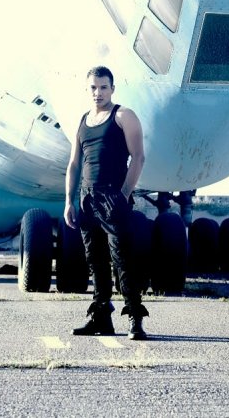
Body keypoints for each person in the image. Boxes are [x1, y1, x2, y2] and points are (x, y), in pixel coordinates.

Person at [64, 65, 149, 340]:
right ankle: (101, 317)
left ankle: (135, 319)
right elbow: (74, 164)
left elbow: (138, 158)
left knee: (123, 260)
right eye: (93, 87)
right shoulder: (83, 120)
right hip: (87, 199)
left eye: (103, 87)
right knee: (96, 261)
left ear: (112, 89)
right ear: (87, 89)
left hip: (114, 197)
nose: (98, 93)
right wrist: (69, 201)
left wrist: (123, 195)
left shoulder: (124, 116)